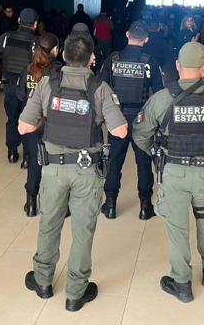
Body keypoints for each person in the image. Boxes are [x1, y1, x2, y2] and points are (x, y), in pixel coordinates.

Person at [20, 32, 127, 312]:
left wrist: (48, 116)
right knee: (83, 231)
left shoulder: (46, 84)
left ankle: (42, 281)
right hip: (87, 170)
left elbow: (24, 127)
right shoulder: (100, 87)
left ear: (64, 56)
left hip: (54, 169)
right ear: (92, 58)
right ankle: (75, 293)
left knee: (49, 224)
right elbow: (120, 130)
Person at [132, 42, 204, 303]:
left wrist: (155, 153)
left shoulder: (162, 98)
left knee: (177, 230)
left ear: (177, 66)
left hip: (172, 173)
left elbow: (140, 133)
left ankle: (182, 284)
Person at [99, 20, 164, 220]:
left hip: (117, 119)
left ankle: (110, 204)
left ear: (127, 34)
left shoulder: (112, 59)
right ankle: (145, 206)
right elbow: (160, 95)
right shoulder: (150, 62)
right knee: (143, 162)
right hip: (141, 120)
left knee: (114, 161)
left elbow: (101, 87)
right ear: (146, 39)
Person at [15, 33, 62, 217]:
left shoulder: (27, 70)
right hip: (54, 123)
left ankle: (31, 203)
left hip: (33, 123)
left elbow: (20, 94)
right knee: (57, 162)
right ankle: (54, 202)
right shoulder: (58, 71)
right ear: (55, 50)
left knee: (35, 161)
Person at [0, 8, 39, 167]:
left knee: (12, 120)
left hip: (10, 87)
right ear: (35, 24)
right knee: (28, 121)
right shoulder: (37, 42)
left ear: (19, 20)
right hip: (29, 88)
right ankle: (27, 157)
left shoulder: (5, 38)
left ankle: (12, 152)